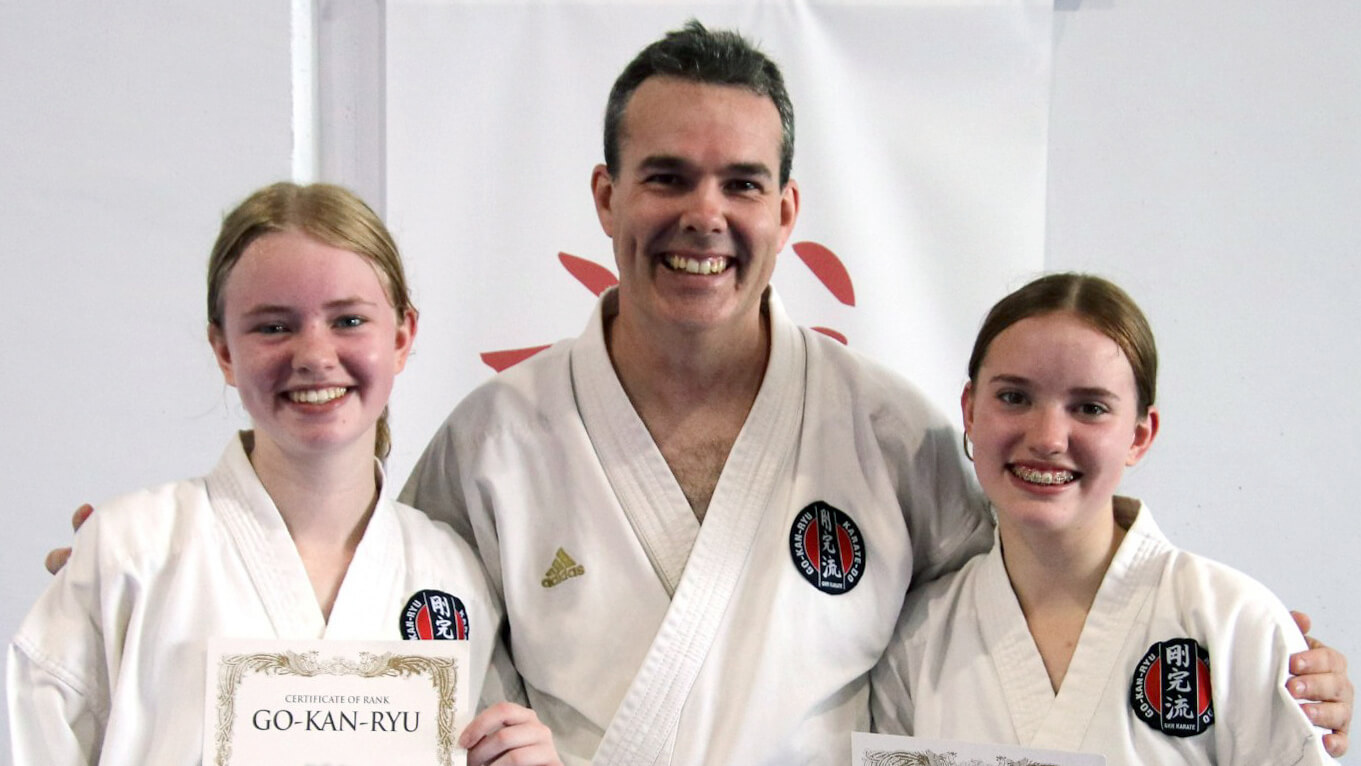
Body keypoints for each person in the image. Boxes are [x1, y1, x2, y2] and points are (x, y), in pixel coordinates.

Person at [40, 22, 1354, 764]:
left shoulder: (888, 428)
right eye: (665, 177)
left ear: (787, 210)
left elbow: (1025, 606)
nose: (701, 216)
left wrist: (1239, 655)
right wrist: (173, 565)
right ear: (605, 196)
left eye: (740, 185)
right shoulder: (491, 442)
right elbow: (374, 621)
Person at [9, 182, 560, 766]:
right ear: (224, 350)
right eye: (273, 327)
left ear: (401, 337)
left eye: (348, 320)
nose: (315, 355)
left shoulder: (453, 576)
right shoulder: (131, 552)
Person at [870, 273, 1338, 764]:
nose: (1048, 438)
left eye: (1090, 408)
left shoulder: (1235, 623)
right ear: (970, 411)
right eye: (1014, 397)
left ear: (1140, 435)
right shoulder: (918, 641)